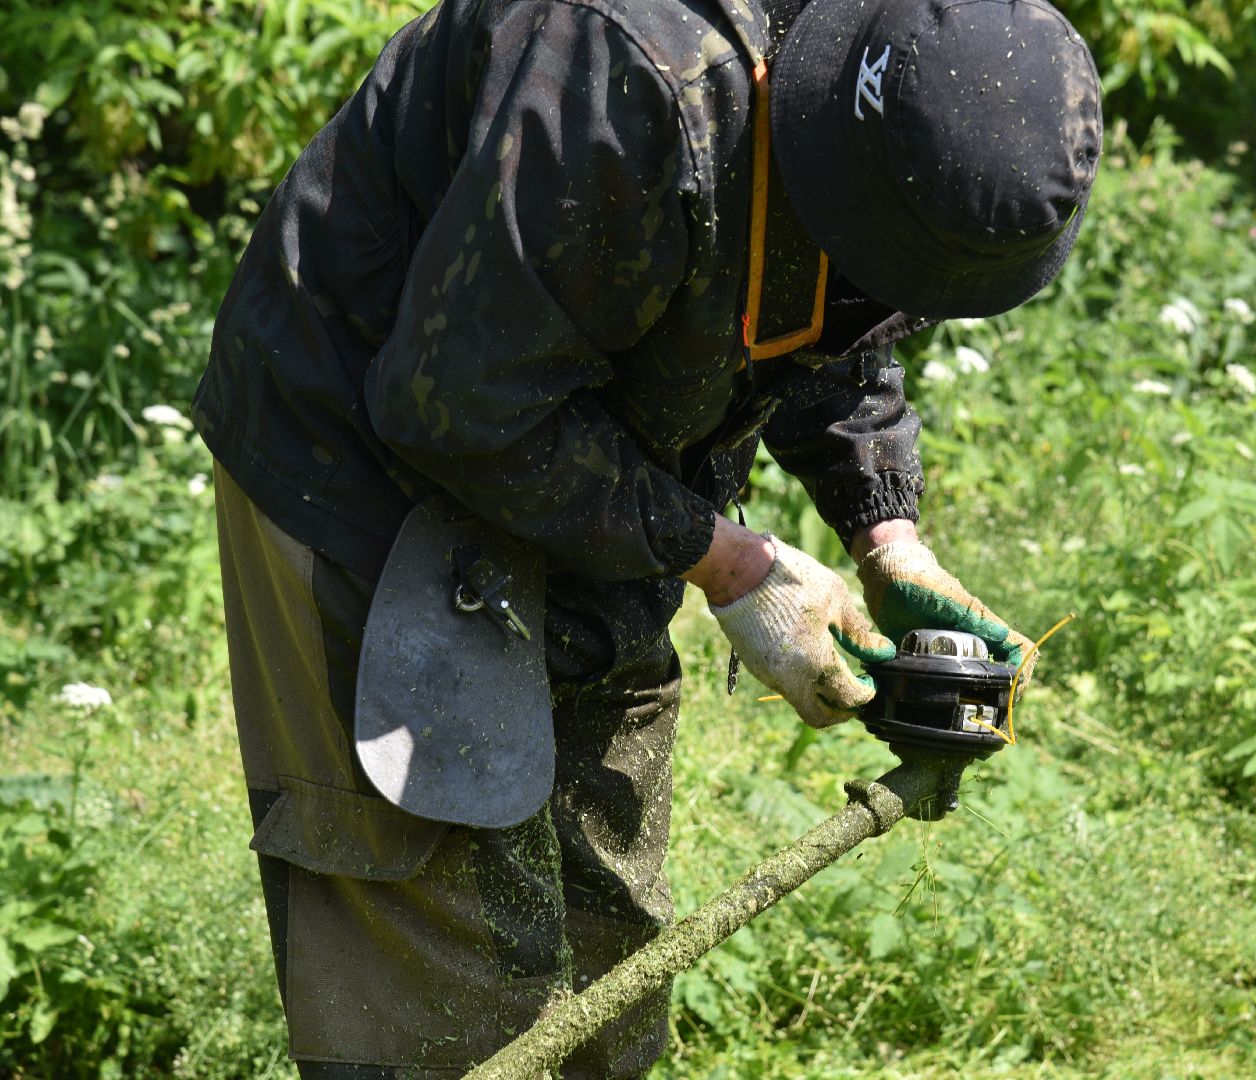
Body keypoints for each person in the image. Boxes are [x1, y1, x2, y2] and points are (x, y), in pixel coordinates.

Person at [192, 0, 1102, 1074]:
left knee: (608, 957)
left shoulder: (883, 103)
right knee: (451, 987)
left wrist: (885, 532)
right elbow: (460, 407)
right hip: (367, 455)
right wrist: (731, 562)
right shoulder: (622, 74)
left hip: (605, 459)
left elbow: (837, 301)